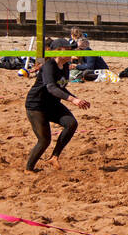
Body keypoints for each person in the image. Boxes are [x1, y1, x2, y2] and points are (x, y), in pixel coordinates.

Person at [25, 38, 90, 171]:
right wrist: (72, 100)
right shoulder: (49, 66)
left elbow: (60, 87)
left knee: (71, 123)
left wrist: (77, 99)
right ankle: (28, 169)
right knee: (44, 141)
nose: (72, 52)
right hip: (36, 106)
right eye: (68, 49)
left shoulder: (65, 66)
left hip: (52, 104)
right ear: (58, 51)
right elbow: (51, 88)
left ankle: (54, 157)